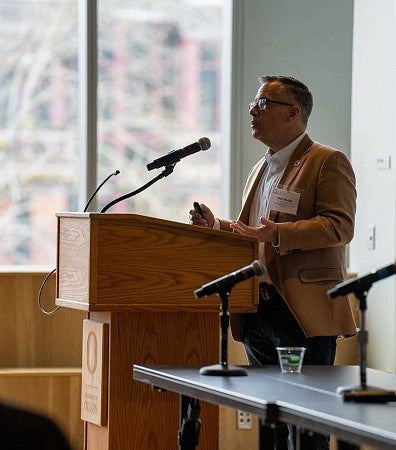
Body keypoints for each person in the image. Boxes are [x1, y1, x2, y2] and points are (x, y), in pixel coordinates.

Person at [189, 75, 357, 450]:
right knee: (270, 417)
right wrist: (216, 225)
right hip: (258, 308)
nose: (253, 110)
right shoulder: (260, 168)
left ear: (293, 113)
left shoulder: (326, 161)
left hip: (301, 310)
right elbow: (254, 232)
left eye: (264, 104)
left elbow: (339, 226)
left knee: (306, 422)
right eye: (254, 102)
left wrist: (282, 234)